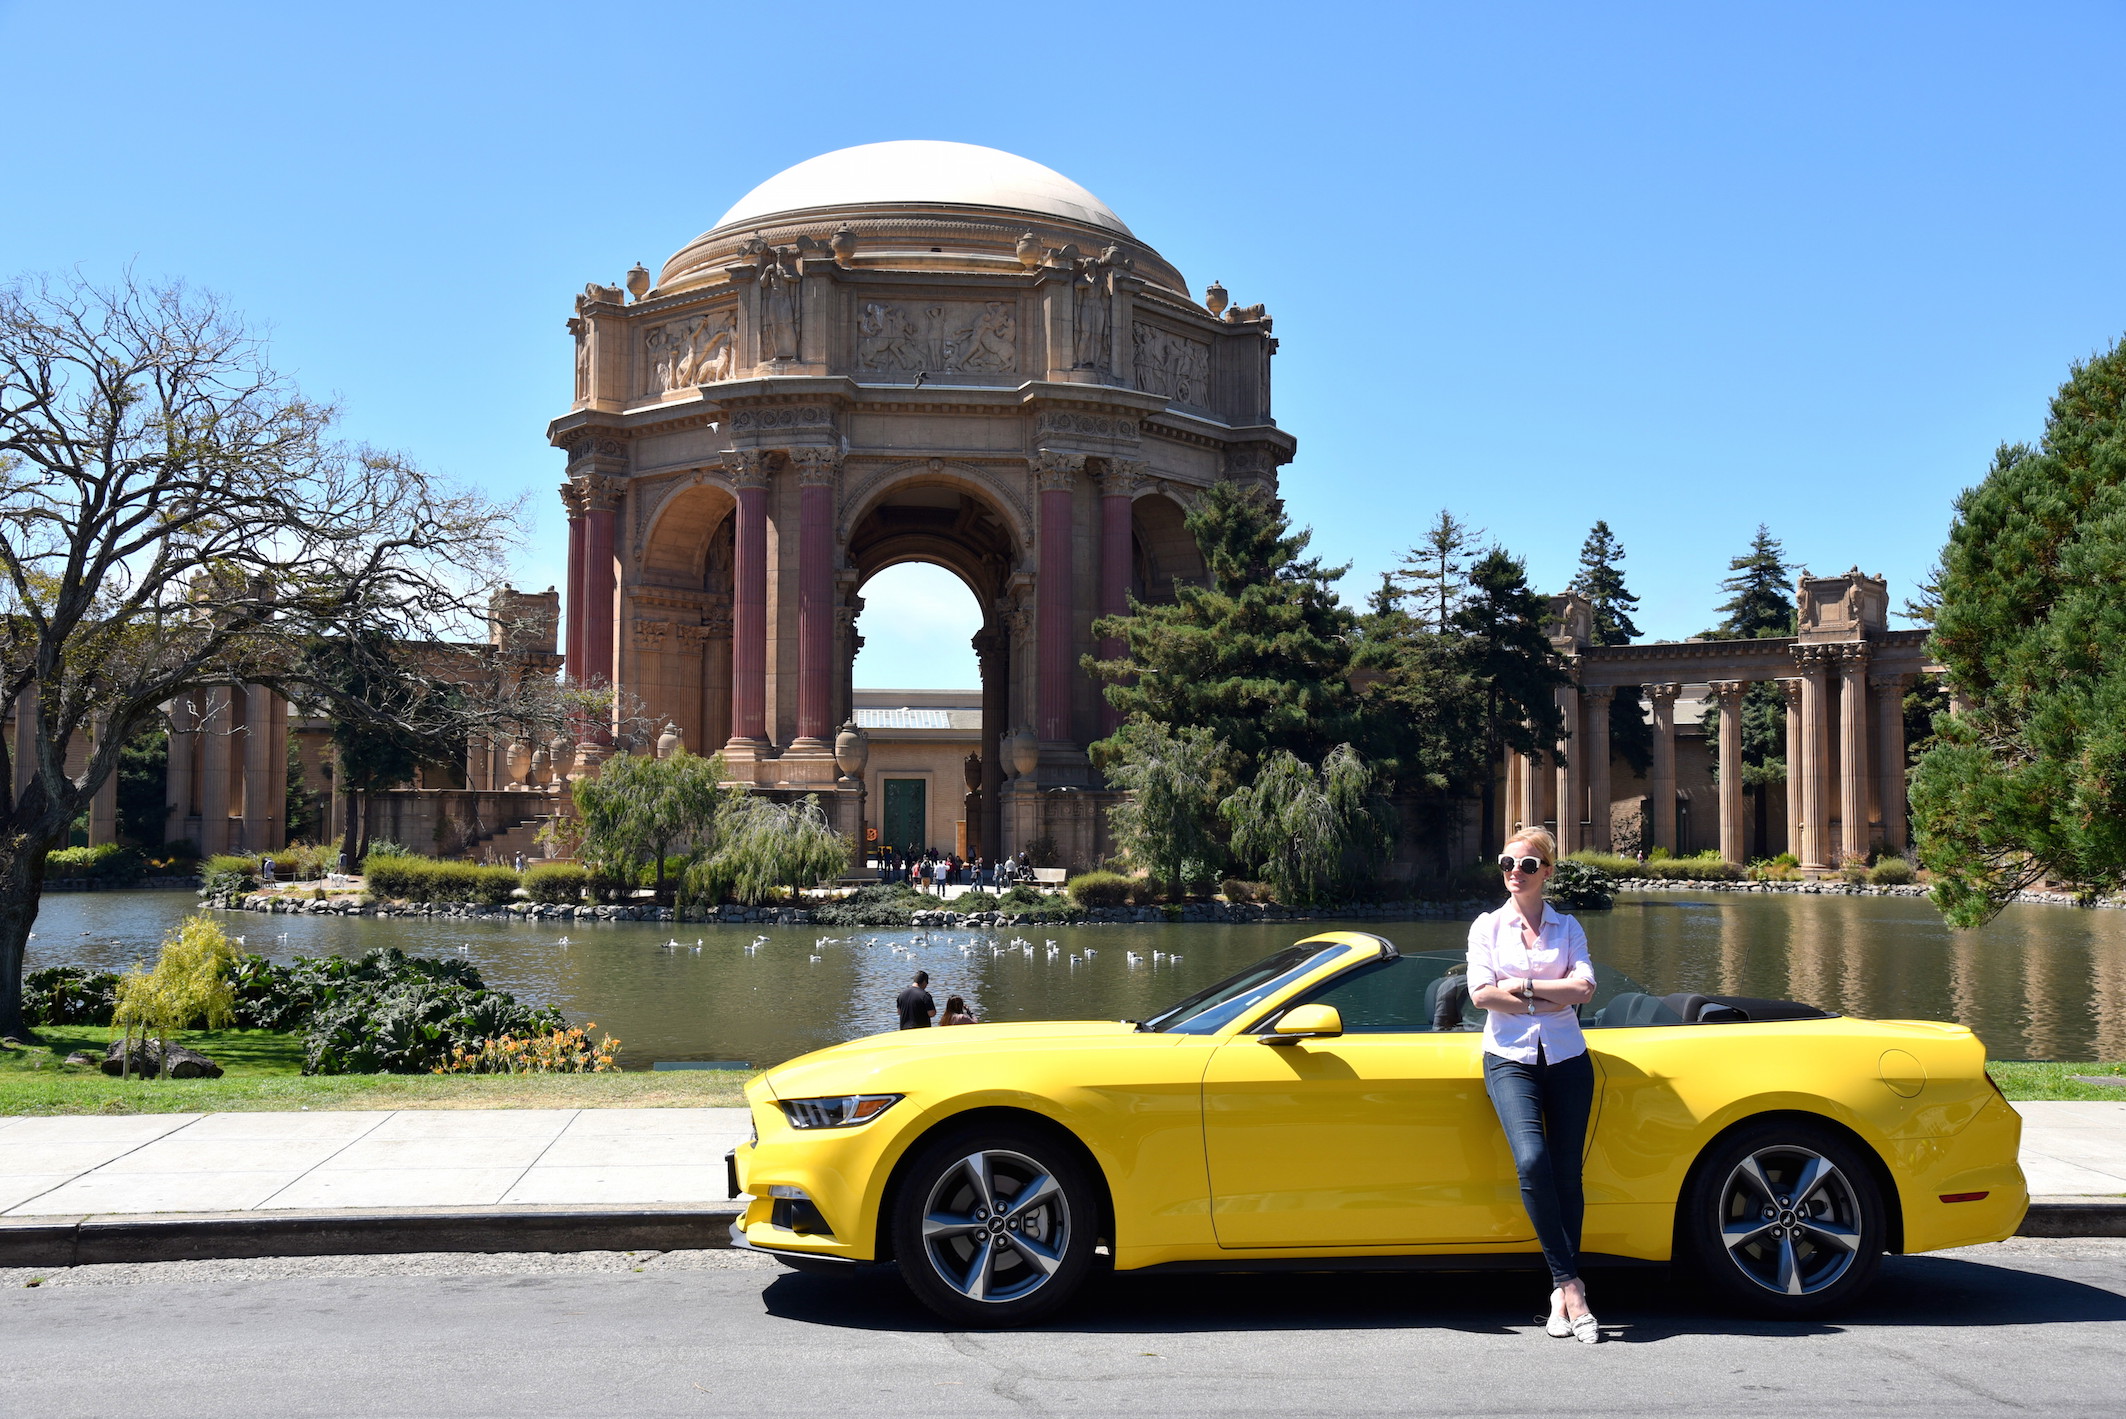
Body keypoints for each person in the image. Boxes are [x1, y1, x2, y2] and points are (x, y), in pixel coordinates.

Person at [1466, 827, 1602, 1344]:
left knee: (1568, 1175)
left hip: (1568, 1057)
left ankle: (1557, 1293)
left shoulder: (1568, 928)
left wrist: (1520, 988)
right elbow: (1481, 995)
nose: (1513, 873)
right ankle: (1572, 1285)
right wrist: (1548, 997)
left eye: (1525, 865)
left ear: (1546, 872)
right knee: (1532, 1161)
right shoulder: (1486, 927)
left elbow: (1585, 987)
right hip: (1508, 1059)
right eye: (1506, 863)